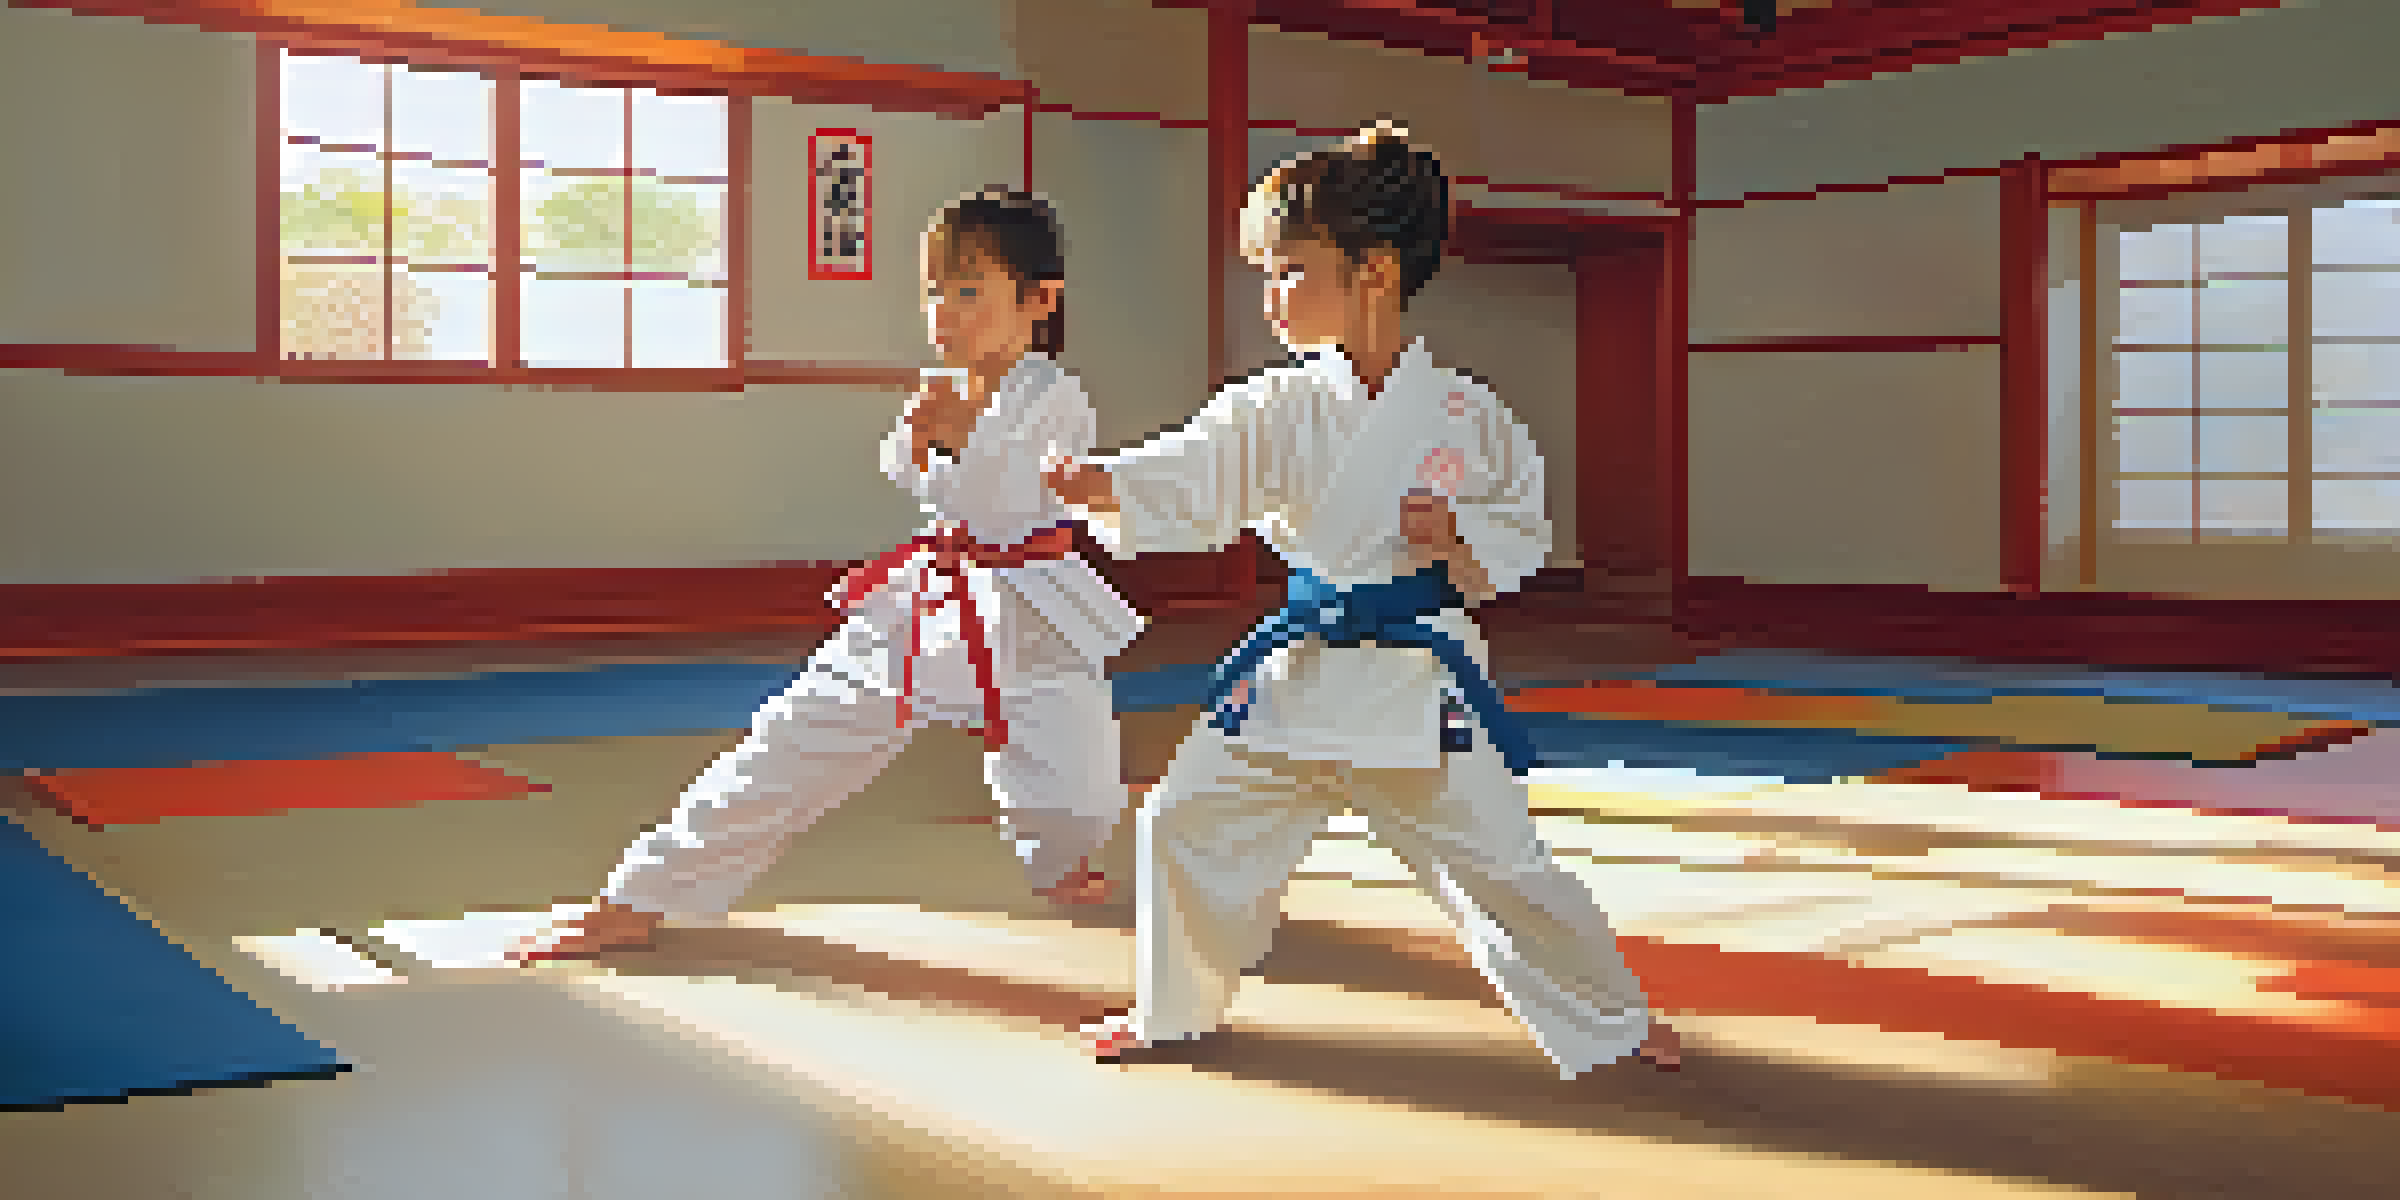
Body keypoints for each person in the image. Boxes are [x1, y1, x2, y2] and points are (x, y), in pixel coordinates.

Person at [1043, 122, 1683, 1074]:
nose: (1270, 298)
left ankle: (1612, 1024)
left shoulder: (1466, 413)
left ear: (1375, 272)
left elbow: (1523, 520)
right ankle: (1170, 1011)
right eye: (1265, 272)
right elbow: (1196, 468)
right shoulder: (1275, 406)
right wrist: (1107, 484)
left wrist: (1456, 538)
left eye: (1290, 270)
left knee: (1502, 869)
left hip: (1413, 683)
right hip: (1298, 675)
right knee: (1182, 820)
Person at [512, 189, 1144, 961]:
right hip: (927, 605)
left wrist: (965, 438)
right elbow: (908, 474)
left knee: (1079, 793)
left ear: (1040, 299)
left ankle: (1060, 858)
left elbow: (1016, 497)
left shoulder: (1055, 395)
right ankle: (637, 896)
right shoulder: (940, 388)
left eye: (970, 291)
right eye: (934, 293)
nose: (945, 312)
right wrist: (929, 442)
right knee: (789, 741)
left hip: (1032, 612)